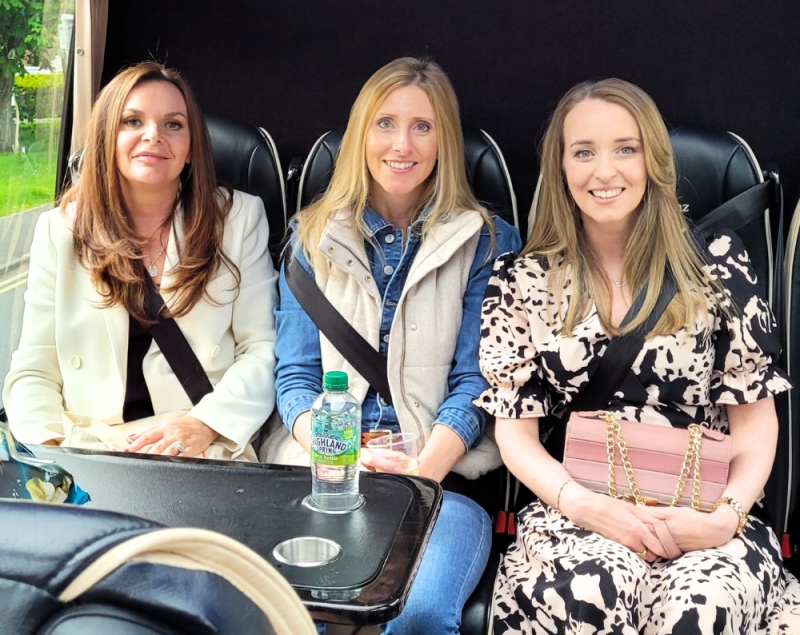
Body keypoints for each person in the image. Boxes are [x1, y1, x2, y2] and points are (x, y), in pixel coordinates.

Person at [476, 78, 800, 634]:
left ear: (653, 160)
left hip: (706, 509)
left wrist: (727, 518)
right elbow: (515, 435)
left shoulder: (718, 266)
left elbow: (755, 420)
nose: (605, 172)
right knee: (587, 596)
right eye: (584, 152)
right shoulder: (520, 279)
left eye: (625, 149)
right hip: (575, 510)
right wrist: (583, 507)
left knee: (698, 609)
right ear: (561, 168)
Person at [262, 56, 521, 634]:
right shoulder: (310, 238)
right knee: (290, 612)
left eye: (422, 126)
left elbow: (480, 382)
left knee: (419, 614)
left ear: (444, 141)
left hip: (440, 483)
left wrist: (419, 476)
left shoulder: (488, 241)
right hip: (323, 475)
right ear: (361, 134)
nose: (402, 144)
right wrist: (344, 457)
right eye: (385, 123)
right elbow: (296, 380)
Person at [4, 62, 278, 459]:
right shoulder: (60, 229)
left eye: (173, 124)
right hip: (91, 447)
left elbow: (263, 348)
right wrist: (52, 455)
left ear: (190, 149)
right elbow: (33, 369)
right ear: (105, 138)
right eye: (132, 121)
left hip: (199, 441)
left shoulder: (238, 218)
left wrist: (206, 425)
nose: (153, 136)